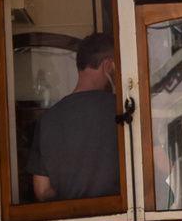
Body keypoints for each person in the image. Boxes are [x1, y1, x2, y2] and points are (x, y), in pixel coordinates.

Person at [30, 31, 121, 202]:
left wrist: (73, 201)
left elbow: (42, 191)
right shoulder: (121, 110)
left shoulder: (49, 119)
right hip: (119, 218)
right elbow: (160, 167)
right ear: (109, 65)